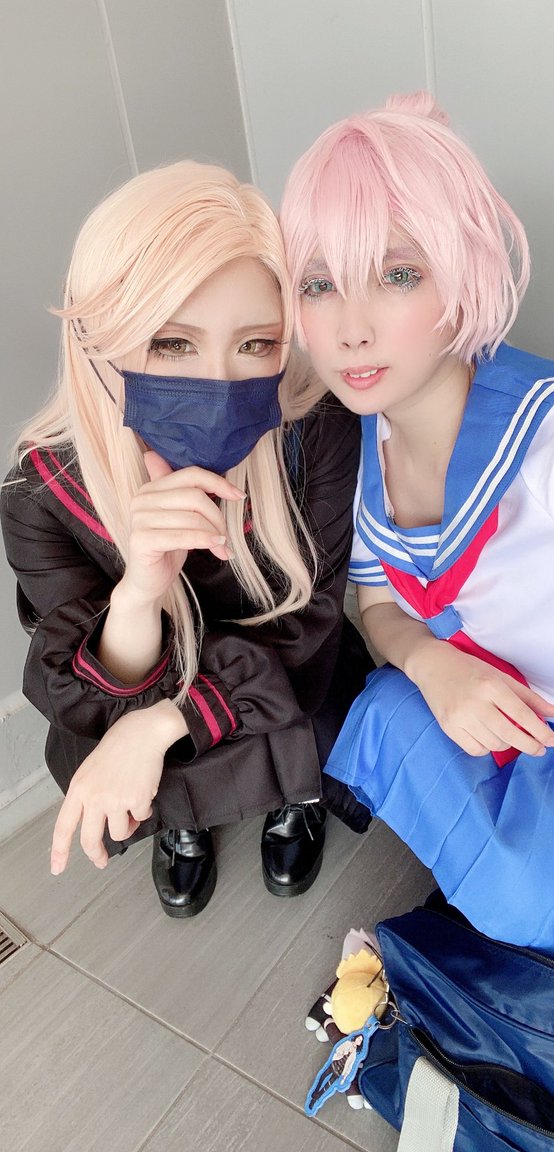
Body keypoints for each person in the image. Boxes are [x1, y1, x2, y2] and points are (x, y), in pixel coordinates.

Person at [1, 160, 372, 919]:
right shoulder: (40, 494)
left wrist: (165, 721)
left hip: (284, 682)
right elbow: (87, 692)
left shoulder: (317, 434)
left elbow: (309, 628)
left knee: (298, 721)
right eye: (173, 344)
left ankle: (293, 799)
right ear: (99, 338)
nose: (219, 381)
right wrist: (139, 592)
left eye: (256, 343)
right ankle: (185, 819)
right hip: (130, 693)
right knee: (135, 747)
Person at [280, 92, 554, 950]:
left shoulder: (540, 438)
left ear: (463, 272)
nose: (351, 330)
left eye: (397, 275)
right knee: (387, 709)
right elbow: (378, 605)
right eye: (320, 285)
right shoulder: (358, 443)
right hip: (487, 710)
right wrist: (434, 667)